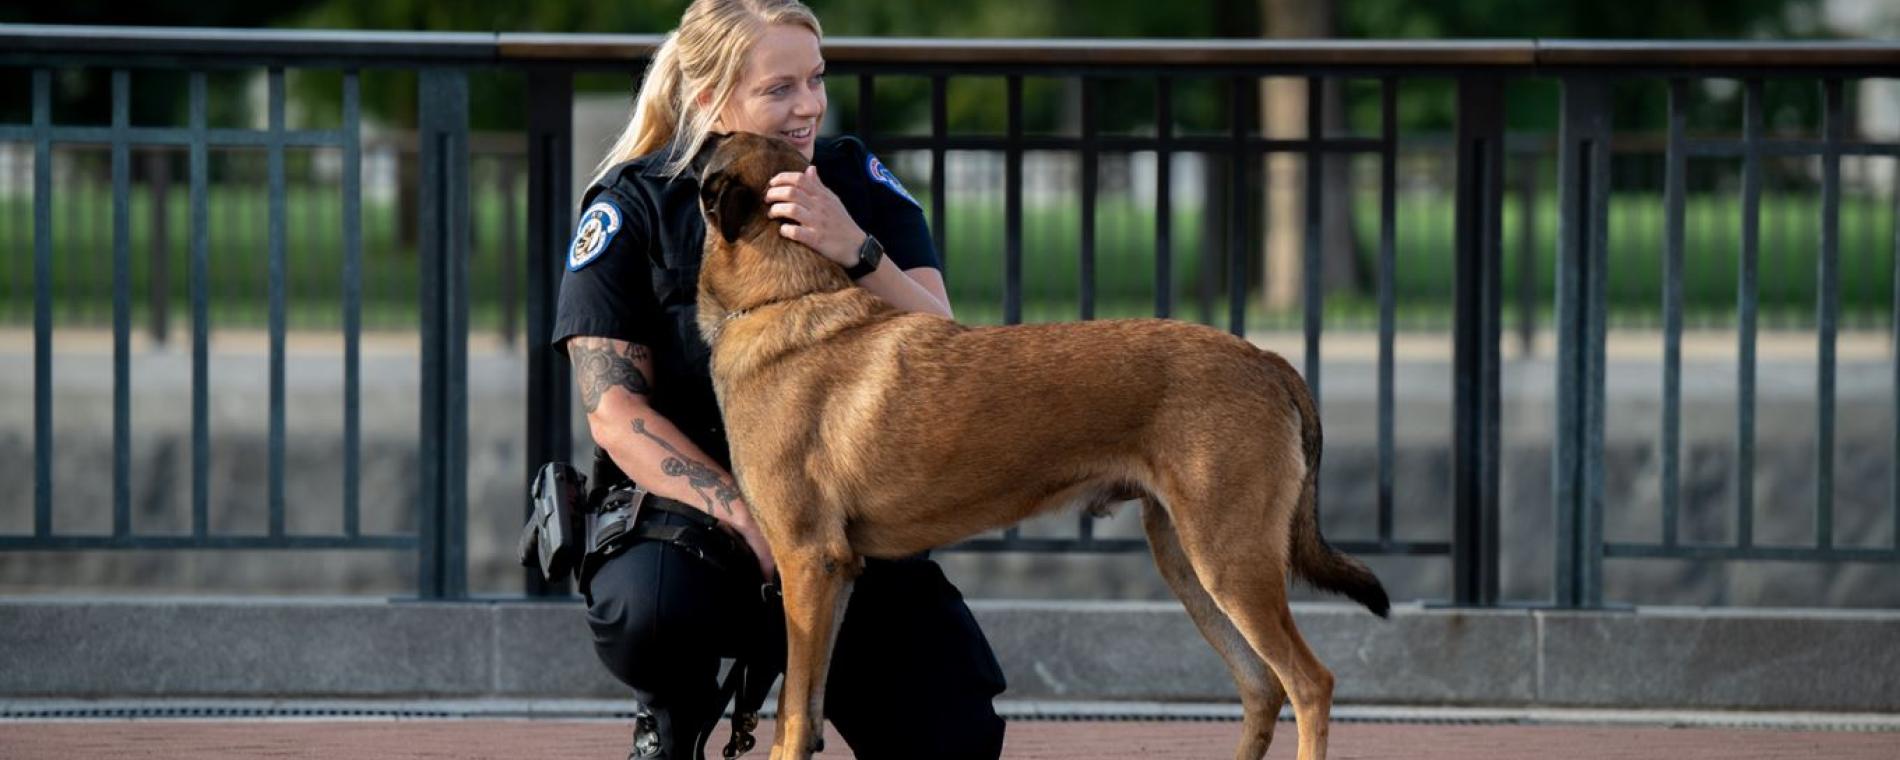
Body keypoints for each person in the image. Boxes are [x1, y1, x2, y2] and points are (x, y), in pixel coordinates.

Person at [549, 1, 1007, 757]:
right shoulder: (635, 203)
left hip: (844, 516)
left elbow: (946, 342)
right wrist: (744, 511)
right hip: (691, 519)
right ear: (709, 96)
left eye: (816, 79)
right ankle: (673, 708)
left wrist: (854, 246)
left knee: (953, 734)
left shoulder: (853, 177)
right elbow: (614, 410)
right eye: (779, 88)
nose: (808, 105)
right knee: (652, 610)